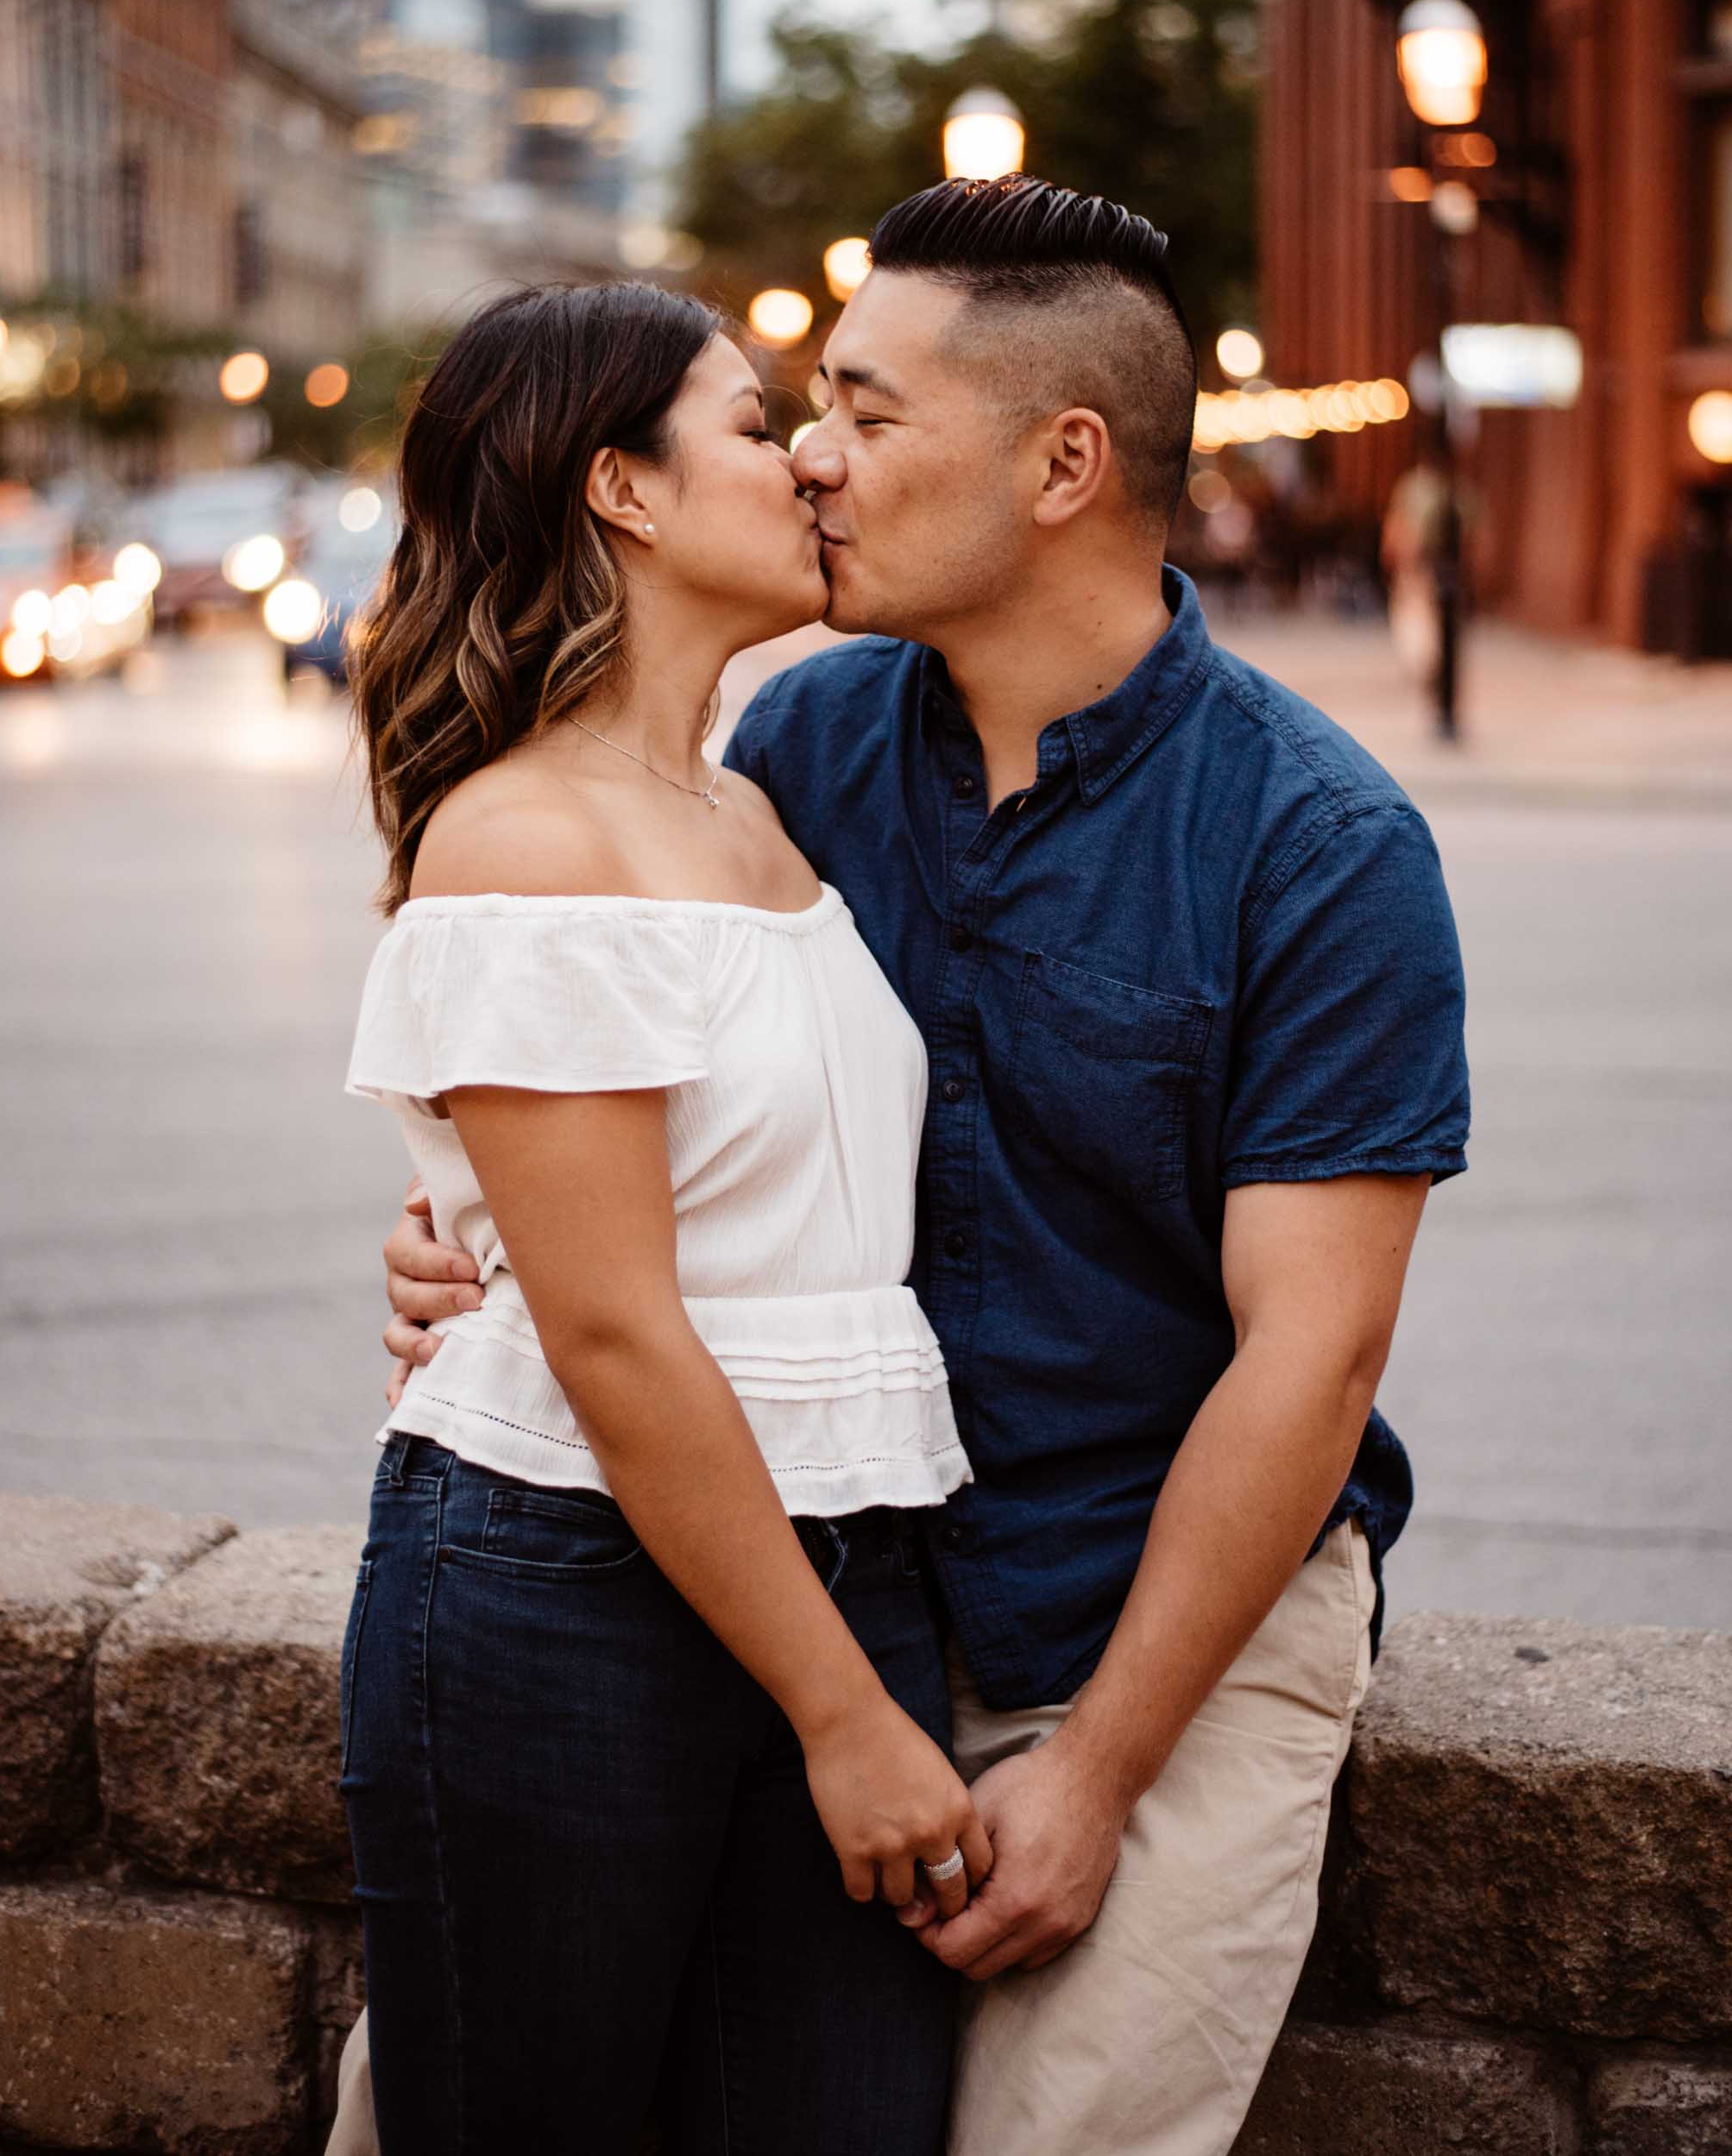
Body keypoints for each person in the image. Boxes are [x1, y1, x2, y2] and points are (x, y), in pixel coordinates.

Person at [358, 175, 1470, 2156]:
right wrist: (486, 1248)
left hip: (1152, 1614)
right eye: (800, 412)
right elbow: (636, 1089)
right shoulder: (804, 741)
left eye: (868, 412)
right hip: (814, 1582)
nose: (812, 454)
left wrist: (1103, 1766)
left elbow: (1306, 1362)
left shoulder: (1318, 845)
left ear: (1062, 462)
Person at [335, 280, 992, 2156]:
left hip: (832, 1556)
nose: (800, 455)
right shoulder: (528, 834)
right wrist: (850, 1716)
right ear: (619, 489)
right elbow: (614, 1331)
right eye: (745, 417)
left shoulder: (750, 814)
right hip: (563, 1592)